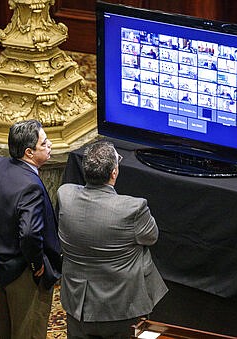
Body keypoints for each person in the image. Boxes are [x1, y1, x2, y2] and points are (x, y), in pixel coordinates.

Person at [57, 141, 168, 339]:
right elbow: (151, 237)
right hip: (122, 309)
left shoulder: (65, 195)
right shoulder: (134, 208)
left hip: (78, 307)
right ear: (114, 173)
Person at [0, 119, 62, 338]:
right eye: (44, 143)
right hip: (24, 273)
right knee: (28, 330)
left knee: (2, 327)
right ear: (29, 152)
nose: (50, 145)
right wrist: (37, 263)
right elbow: (30, 233)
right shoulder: (30, 186)